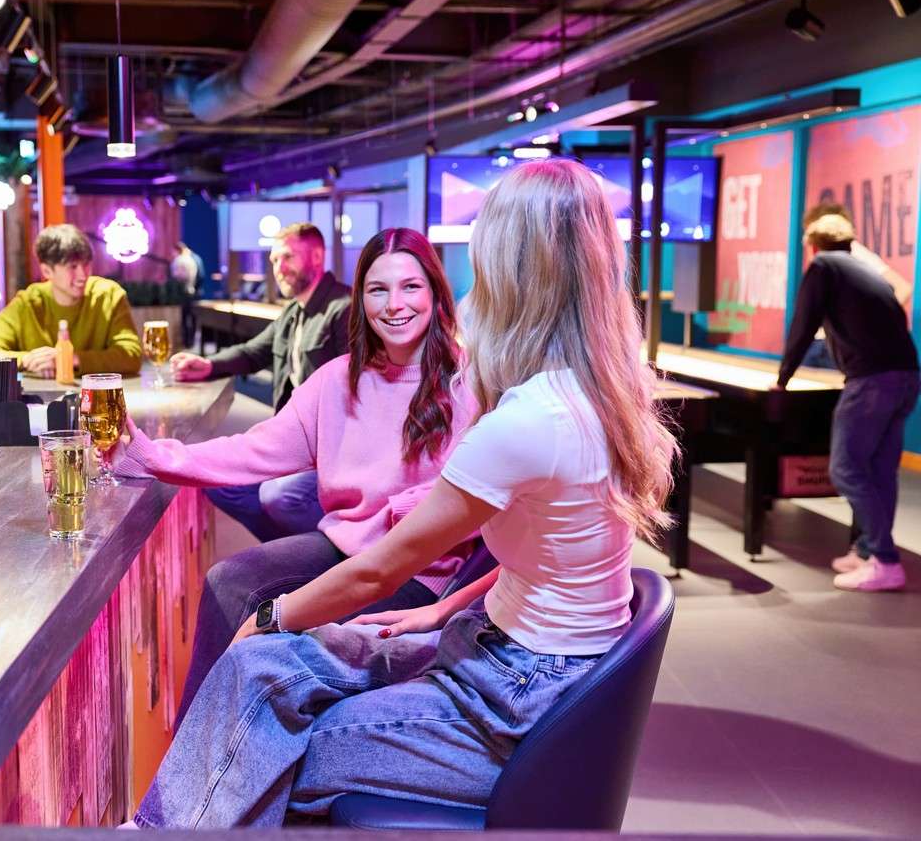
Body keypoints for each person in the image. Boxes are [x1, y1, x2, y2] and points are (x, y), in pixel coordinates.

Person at [125, 159, 677, 828]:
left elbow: (382, 569)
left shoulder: (520, 417)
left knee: (262, 741)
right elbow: (541, 554)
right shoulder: (593, 395)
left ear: (506, 275)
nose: (398, 304)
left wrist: (274, 617)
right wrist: (438, 615)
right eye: (380, 290)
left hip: (509, 689)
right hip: (494, 645)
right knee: (257, 671)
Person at [111, 227, 481, 728]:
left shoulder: (471, 383)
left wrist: (410, 511)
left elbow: (489, 505)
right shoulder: (339, 379)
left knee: (281, 642)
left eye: (410, 287)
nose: (395, 304)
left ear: (436, 293)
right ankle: (193, 753)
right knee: (229, 580)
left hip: (416, 571)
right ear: (361, 299)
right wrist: (149, 454)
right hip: (345, 548)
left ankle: (228, 764)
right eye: (378, 289)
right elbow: (254, 449)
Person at [168, 223, 351, 543]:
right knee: (218, 483)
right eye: (274, 260)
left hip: (331, 451)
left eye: (288, 257)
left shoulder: (344, 309)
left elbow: (357, 397)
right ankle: (290, 553)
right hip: (293, 444)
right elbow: (255, 351)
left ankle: (330, 561)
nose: (279, 268)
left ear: (318, 256)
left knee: (280, 496)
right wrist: (208, 365)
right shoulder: (295, 311)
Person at [777, 213, 919, 592]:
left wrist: (783, 379)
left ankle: (886, 561)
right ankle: (870, 550)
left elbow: (804, 323)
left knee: (845, 470)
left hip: (872, 381)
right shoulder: (864, 270)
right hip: (906, 376)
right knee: (880, 470)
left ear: (813, 247)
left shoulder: (824, 267)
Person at [0, 223, 142, 376]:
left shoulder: (109, 295)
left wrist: (70, 359)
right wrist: (28, 360)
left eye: (86, 263)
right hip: (36, 406)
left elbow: (131, 356)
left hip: (96, 401)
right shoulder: (27, 303)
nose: (83, 275)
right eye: (72, 267)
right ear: (47, 271)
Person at [799, 202, 912, 369]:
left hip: (837, 347)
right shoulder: (827, 257)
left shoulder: (854, 253)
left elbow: (903, 288)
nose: (807, 240)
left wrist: (865, 323)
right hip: (824, 343)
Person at [169, 240, 203, 349]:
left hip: (185, 294)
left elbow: (177, 278)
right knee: (192, 318)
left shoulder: (180, 260)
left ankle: (186, 342)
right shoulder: (194, 259)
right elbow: (201, 276)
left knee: (185, 319)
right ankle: (190, 342)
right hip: (193, 292)